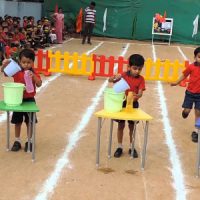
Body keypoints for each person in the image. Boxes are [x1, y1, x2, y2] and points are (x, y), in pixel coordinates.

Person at [1, 48, 42, 152]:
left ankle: (29, 141)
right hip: (17, 100)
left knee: (29, 122)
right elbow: (4, 72)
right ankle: (17, 141)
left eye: (29, 62)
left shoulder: (33, 72)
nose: (26, 64)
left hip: (29, 100)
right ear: (19, 61)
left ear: (33, 62)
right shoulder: (16, 71)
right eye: (23, 62)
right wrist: (5, 64)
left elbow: (39, 83)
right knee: (17, 121)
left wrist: (34, 77)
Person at [108, 54, 145, 158]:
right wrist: (114, 77)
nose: (137, 71)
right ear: (128, 67)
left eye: (139, 69)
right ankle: (119, 147)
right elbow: (110, 81)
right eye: (134, 68)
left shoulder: (141, 79)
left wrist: (137, 95)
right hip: (122, 104)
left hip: (133, 105)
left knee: (132, 126)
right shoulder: (123, 75)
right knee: (121, 125)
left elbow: (141, 93)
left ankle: (131, 147)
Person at [170, 47, 200, 143]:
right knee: (187, 110)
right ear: (195, 57)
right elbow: (184, 75)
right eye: (199, 57)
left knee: (198, 113)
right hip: (190, 93)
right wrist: (176, 82)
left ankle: (196, 131)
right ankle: (185, 112)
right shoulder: (191, 67)